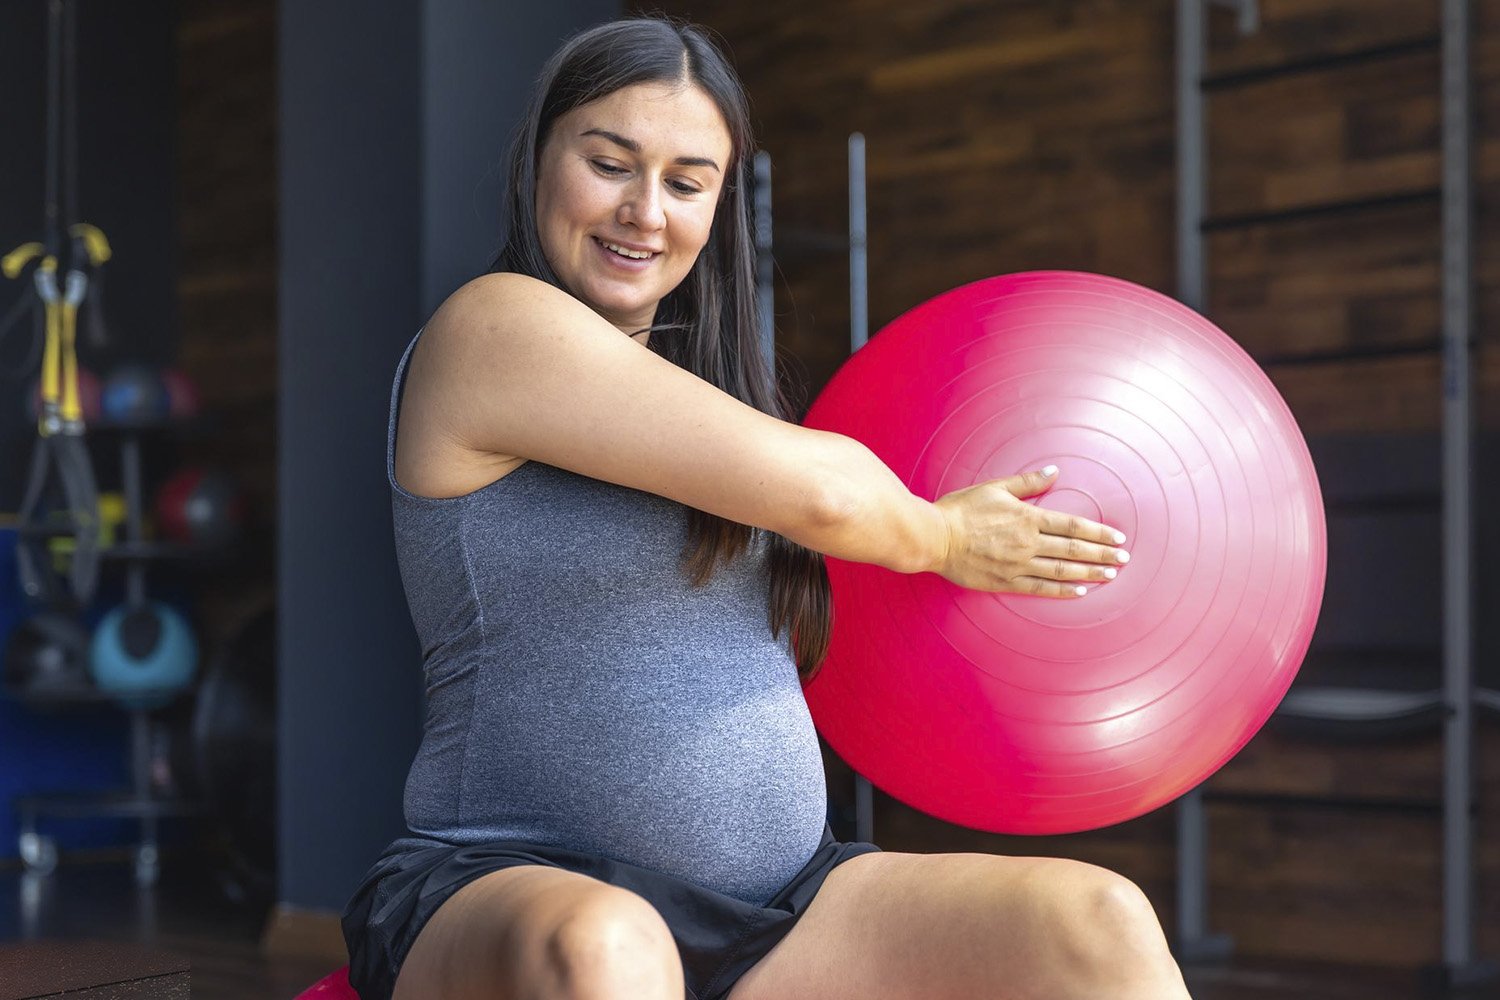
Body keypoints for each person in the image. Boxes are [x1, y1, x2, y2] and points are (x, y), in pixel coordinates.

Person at [341, 14, 1192, 1000]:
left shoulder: (717, 402)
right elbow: (829, 496)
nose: (645, 212)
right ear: (538, 163)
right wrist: (948, 534)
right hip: (507, 885)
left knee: (1098, 923)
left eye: (686, 182)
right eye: (610, 164)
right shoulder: (491, 329)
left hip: (783, 916)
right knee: (607, 947)